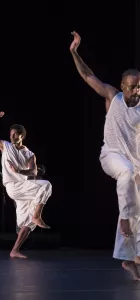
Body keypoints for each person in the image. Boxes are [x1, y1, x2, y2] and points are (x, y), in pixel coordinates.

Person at [70, 31, 140, 279]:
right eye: (132, 87)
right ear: (123, 86)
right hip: (111, 156)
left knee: (138, 206)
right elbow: (88, 76)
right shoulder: (113, 96)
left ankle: (131, 259)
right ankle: (124, 218)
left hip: (134, 164)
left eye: (139, 87)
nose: (136, 91)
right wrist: (74, 52)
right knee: (127, 175)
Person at [0, 112, 52, 258]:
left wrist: (19, 170)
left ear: (22, 136)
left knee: (27, 224)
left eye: (15, 135)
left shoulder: (29, 154)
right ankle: (37, 215)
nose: (12, 137)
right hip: (13, 187)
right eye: (11, 134)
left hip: (25, 189)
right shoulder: (5, 146)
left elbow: (33, 171)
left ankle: (15, 250)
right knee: (46, 185)